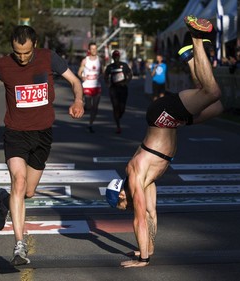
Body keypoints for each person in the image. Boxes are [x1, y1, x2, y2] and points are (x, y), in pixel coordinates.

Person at [0, 25, 84, 266]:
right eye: (17, 53)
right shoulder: (3, 64)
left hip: (42, 135)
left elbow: (74, 80)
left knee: (27, 192)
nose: (22, 57)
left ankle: (3, 201)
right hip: (15, 133)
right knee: (19, 181)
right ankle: (19, 245)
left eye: (26, 52)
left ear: (34, 45)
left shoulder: (49, 58)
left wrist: (78, 100)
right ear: (12, 48)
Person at [105, 15, 224, 268]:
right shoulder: (146, 181)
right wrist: (146, 249)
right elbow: (150, 215)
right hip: (171, 122)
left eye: (122, 204)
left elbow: (138, 218)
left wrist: (143, 259)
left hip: (162, 117)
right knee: (216, 106)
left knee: (211, 92)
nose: (125, 207)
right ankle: (189, 56)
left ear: (121, 194)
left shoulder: (135, 175)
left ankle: (196, 37)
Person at [104, 50, 133, 134]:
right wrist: (107, 84)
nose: (116, 58)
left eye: (117, 56)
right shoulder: (110, 67)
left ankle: (118, 116)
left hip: (123, 88)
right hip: (114, 89)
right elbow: (106, 76)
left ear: (119, 57)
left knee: (122, 108)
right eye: (115, 56)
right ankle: (118, 126)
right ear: (113, 57)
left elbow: (130, 74)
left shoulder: (124, 65)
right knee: (115, 106)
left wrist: (127, 82)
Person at [78, 42, 102, 133]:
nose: (94, 50)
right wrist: (82, 77)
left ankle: (90, 124)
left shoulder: (100, 60)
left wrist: (100, 76)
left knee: (95, 107)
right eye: (92, 49)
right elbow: (79, 72)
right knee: (88, 106)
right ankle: (86, 106)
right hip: (87, 86)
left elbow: (102, 71)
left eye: (95, 48)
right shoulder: (85, 60)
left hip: (97, 86)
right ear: (89, 50)